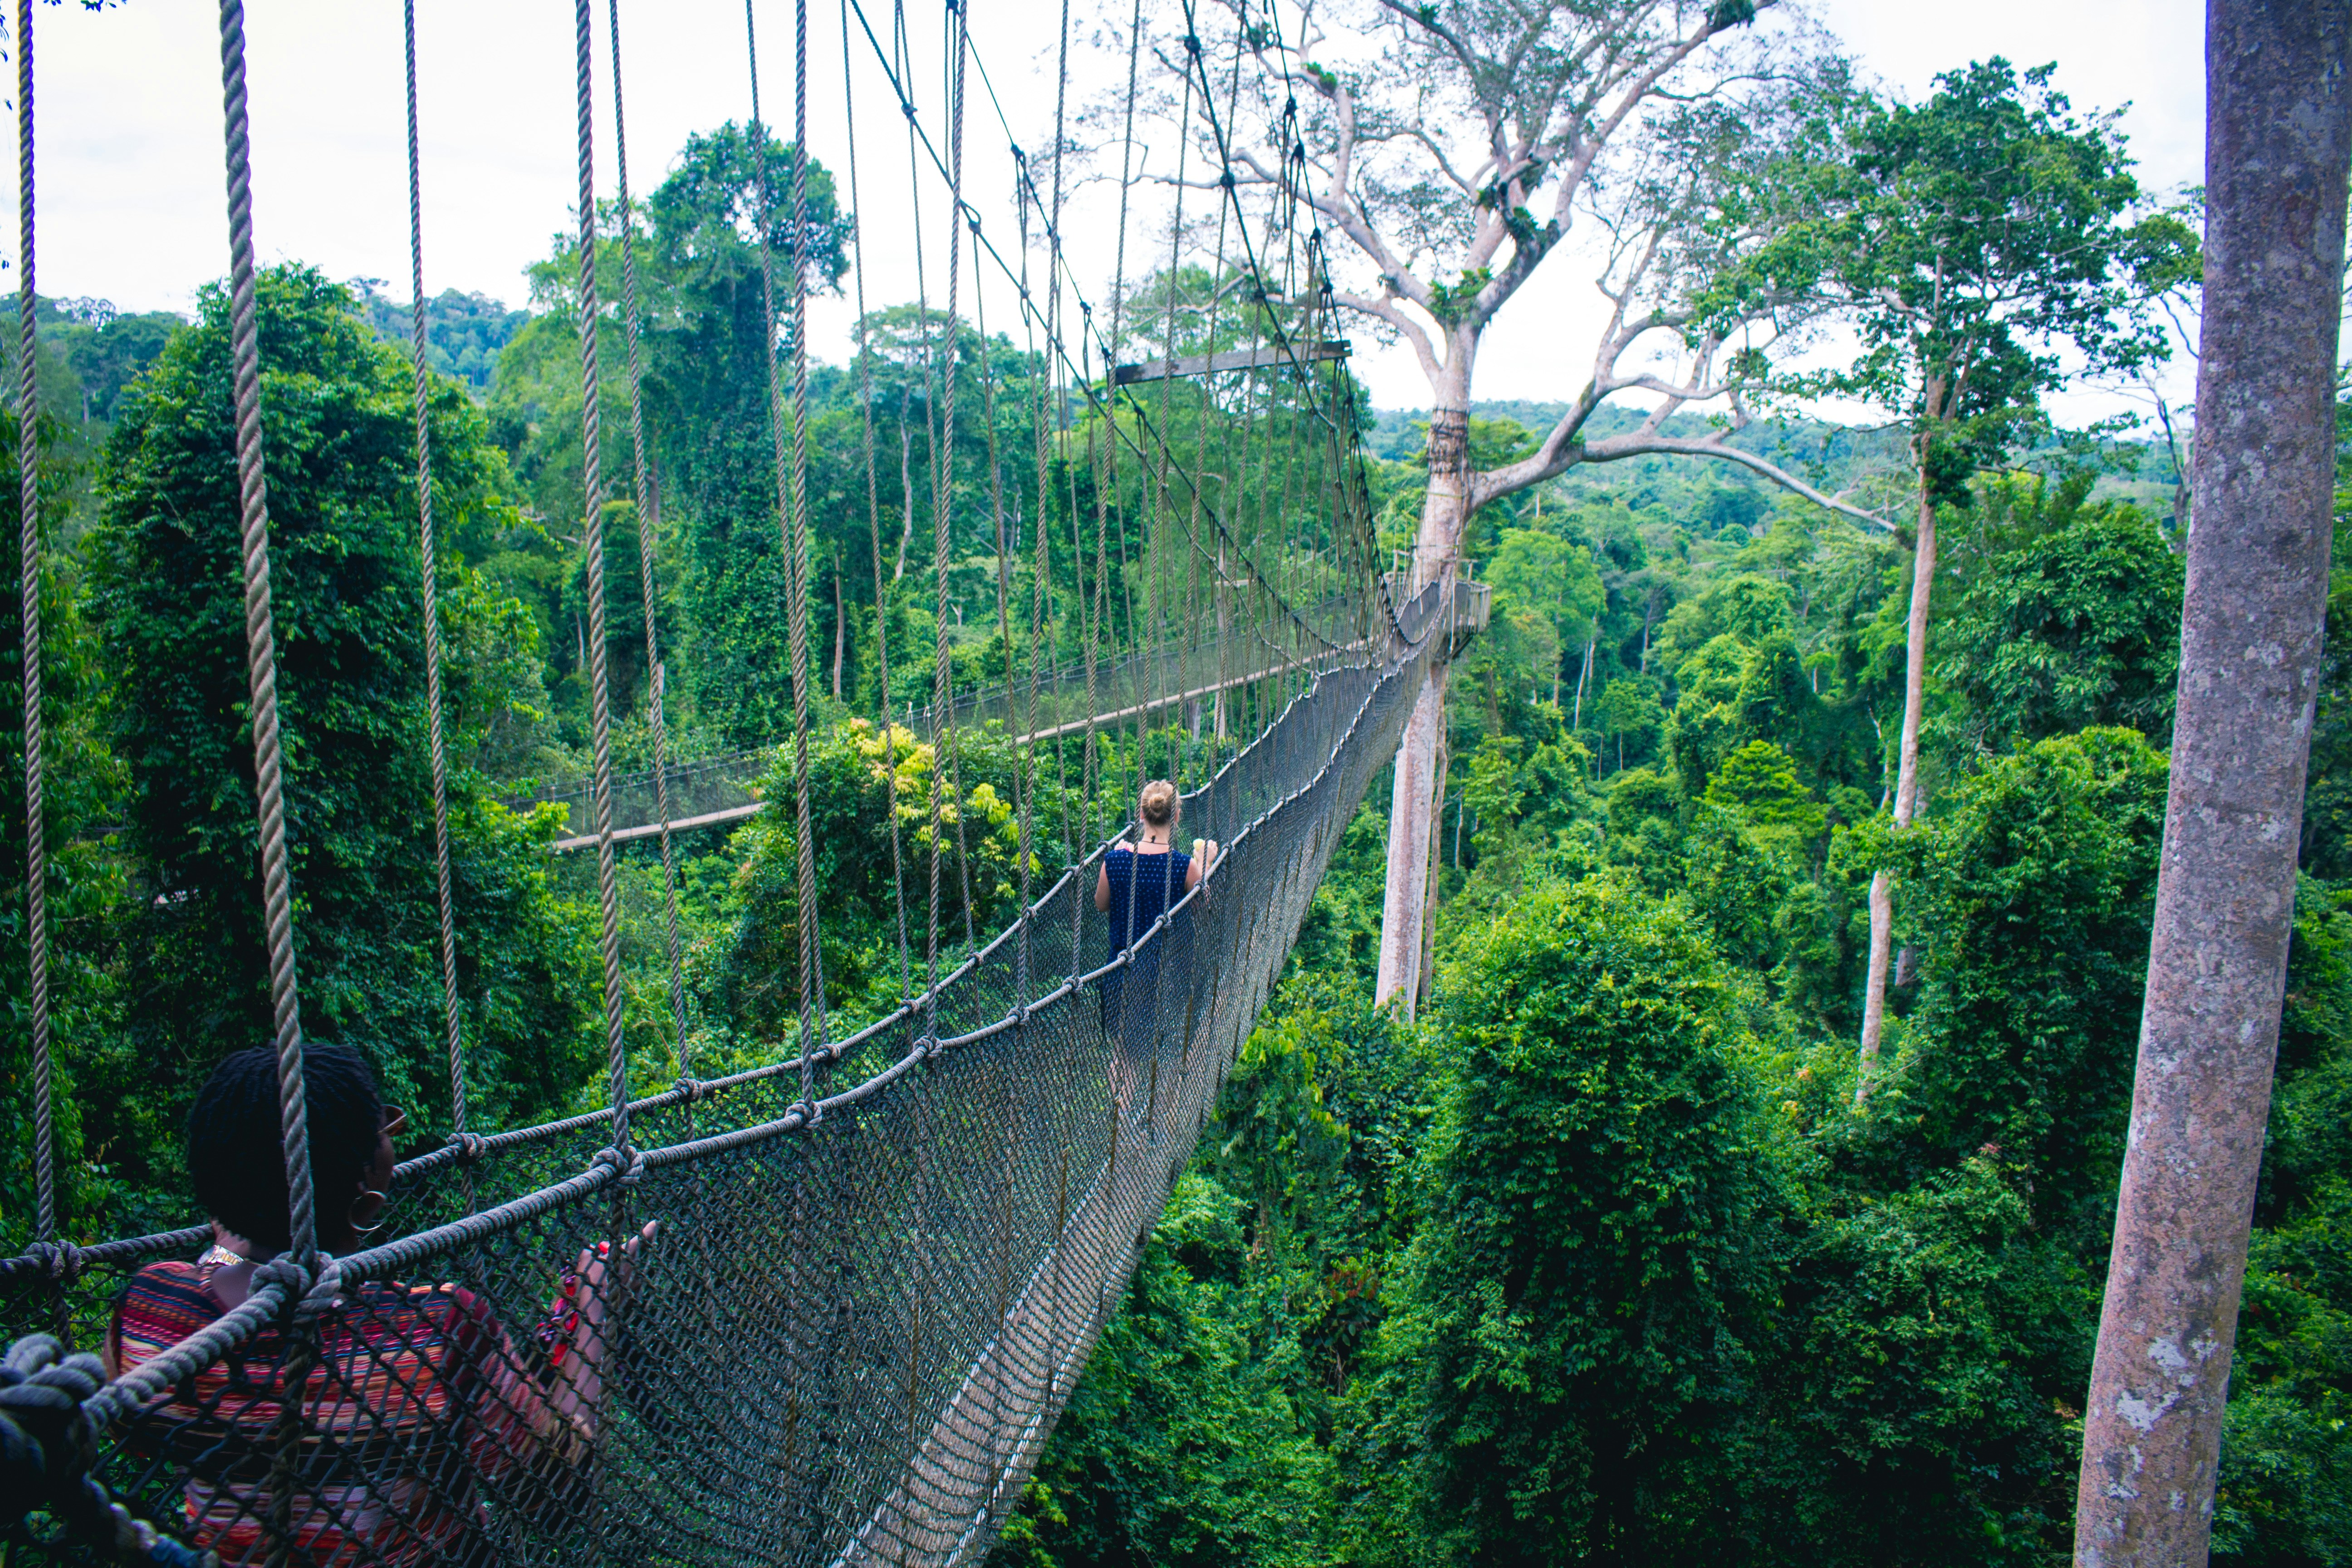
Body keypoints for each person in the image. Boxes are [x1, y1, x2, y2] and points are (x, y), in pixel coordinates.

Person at [109, 1044, 653, 1565]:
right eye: (382, 1131)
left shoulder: (153, 1310)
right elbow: (558, 1498)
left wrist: (237, 1235)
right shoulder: (438, 1333)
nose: (393, 1138)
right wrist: (595, 1308)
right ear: (367, 1181)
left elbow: (131, 1432)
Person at [1094, 781, 1217, 1097]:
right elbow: (1205, 907)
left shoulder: (1116, 860)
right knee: (1151, 1058)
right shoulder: (1182, 866)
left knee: (1123, 1059)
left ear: (1141, 814)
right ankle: (1138, 1123)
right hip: (1163, 980)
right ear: (1176, 816)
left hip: (1119, 976)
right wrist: (1206, 864)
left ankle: (1121, 1122)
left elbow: (1101, 904)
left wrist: (1118, 855)